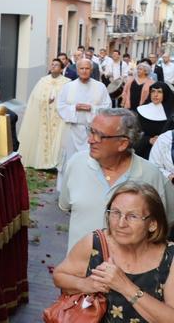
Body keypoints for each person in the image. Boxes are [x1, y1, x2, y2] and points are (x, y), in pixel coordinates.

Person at [52, 182, 174, 322]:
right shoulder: (96, 243)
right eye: (115, 213)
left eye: (133, 216)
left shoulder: (169, 257)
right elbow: (59, 276)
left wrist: (125, 286)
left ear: (153, 224)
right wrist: (85, 284)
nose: (121, 224)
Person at [58, 108, 174, 252]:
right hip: (78, 270)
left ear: (122, 143)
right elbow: (65, 204)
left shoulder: (151, 175)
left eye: (99, 135)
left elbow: (166, 221)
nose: (90, 140)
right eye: (91, 131)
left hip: (129, 272)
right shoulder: (76, 164)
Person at [56, 58, 112, 189]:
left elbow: (107, 107)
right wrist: (74, 108)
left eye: (87, 68)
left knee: (91, 161)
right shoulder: (68, 87)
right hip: (72, 130)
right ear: (77, 70)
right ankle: (68, 189)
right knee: (70, 161)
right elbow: (60, 106)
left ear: (91, 70)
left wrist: (91, 109)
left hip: (93, 133)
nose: (84, 71)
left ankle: (89, 189)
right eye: (81, 68)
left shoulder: (100, 87)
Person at [20, 59, 69, 169]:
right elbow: (35, 97)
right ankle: (42, 161)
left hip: (58, 117)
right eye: (52, 64)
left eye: (56, 65)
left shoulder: (67, 82)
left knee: (57, 137)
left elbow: (68, 99)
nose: (53, 66)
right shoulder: (43, 81)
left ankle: (56, 161)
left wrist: (56, 101)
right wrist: (46, 100)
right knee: (43, 136)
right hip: (44, 115)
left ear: (61, 69)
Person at [134, 82, 174, 159]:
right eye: (153, 91)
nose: (155, 95)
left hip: (165, 154)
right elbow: (134, 133)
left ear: (165, 94)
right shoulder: (140, 110)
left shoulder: (171, 113)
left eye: (159, 92)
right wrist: (149, 140)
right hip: (143, 152)